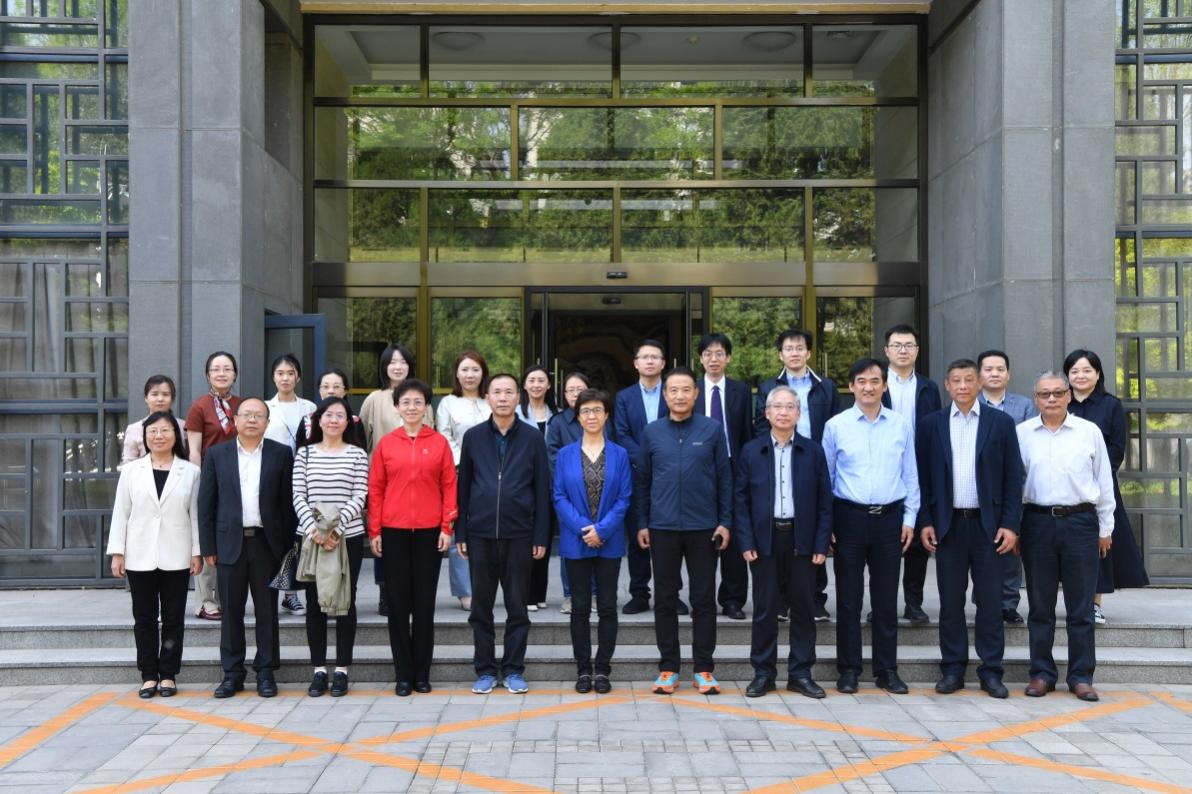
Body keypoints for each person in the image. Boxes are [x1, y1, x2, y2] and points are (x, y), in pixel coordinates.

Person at [917, 359, 1023, 700]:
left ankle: (991, 671)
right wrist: (926, 521)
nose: (962, 386)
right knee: (950, 603)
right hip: (948, 527)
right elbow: (921, 479)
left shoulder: (1001, 423)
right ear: (947, 385)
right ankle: (953, 669)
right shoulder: (930, 425)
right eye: (956, 381)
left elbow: (1013, 478)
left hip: (988, 527)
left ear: (979, 384)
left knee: (990, 603)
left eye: (968, 380)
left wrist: (1010, 524)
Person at [1017, 371, 1116, 702]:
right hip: (1037, 523)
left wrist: (1105, 528)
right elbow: (1014, 484)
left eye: (1058, 393)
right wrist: (1015, 528)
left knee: (1081, 608)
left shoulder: (1089, 432)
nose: (1051, 399)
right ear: (1036, 398)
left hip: (1081, 523)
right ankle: (1041, 673)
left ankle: (1081, 676)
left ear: (1068, 396)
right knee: (1040, 606)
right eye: (1044, 394)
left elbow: (1104, 481)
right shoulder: (1022, 434)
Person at [824, 358, 920, 695]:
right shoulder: (835, 426)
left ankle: (886, 670)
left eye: (875, 381)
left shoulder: (900, 425)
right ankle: (849, 669)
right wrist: (828, 523)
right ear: (851, 386)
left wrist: (909, 518)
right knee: (848, 600)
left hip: (889, 520)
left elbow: (910, 474)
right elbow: (827, 478)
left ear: (885, 385)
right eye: (861, 381)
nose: (868, 387)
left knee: (885, 599)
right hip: (848, 518)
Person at [636, 367, 732, 695]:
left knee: (703, 599)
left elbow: (725, 478)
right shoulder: (652, 432)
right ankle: (668, 668)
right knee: (665, 598)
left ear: (696, 394)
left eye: (686, 390)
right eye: (673, 390)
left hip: (703, 527)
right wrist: (642, 522)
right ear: (665, 395)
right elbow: (643, 481)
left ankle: (704, 668)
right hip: (662, 527)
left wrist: (725, 521)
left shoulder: (712, 429)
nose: (679, 396)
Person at [734, 386, 832, 699]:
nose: (783, 412)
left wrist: (821, 544)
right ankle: (763, 673)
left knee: (803, 608)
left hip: (802, 539)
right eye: (777, 406)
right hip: (765, 540)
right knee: (765, 609)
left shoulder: (812, 451)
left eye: (790, 407)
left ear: (799, 413)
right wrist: (746, 540)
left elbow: (825, 502)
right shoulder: (751, 451)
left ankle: (800, 673)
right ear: (767, 413)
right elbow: (741, 501)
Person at [455, 374, 550, 695]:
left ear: (518, 397)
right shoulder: (474, 437)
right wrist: (461, 530)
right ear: (488, 397)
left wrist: (541, 535)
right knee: (480, 608)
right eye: (497, 392)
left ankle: (512, 669)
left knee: (517, 608)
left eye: (509, 392)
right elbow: (463, 487)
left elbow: (542, 489)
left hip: (520, 534)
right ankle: (484, 670)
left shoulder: (533, 438)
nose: (503, 397)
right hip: (480, 534)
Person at [197, 398, 297, 699]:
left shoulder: (281, 454)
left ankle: (266, 672)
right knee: (231, 612)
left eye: (259, 415)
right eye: (247, 415)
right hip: (229, 544)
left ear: (267, 422)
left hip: (267, 544)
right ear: (235, 420)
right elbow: (206, 504)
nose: (252, 420)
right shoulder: (217, 454)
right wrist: (207, 546)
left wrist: (287, 546)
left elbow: (288, 504)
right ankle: (232, 674)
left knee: (267, 612)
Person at [369, 379, 458, 696]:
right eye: (405, 402)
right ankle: (403, 675)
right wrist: (375, 530)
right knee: (397, 605)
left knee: (423, 604)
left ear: (426, 407)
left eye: (418, 402)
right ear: (397, 406)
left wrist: (447, 527)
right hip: (393, 531)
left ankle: (422, 673)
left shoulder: (439, 443)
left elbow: (449, 486)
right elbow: (376, 489)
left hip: (429, 533)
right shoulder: (386, 444)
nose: (411, 407)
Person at [107, 411, 203, 698]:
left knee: (174, 618)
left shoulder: (190, 472)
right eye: (153, 432)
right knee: (144, 618)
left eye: (165, 431)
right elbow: (121, 513)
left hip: (177, 553)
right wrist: (117, 552)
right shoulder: (131, 471)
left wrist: (197, 552)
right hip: (139, 554)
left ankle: (169, 674)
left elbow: (195, 516)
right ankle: (148, 675)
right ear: (145, 437)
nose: (159, 436)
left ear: (176, 435)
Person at [754, 328, 841, 623]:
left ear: (809, 353)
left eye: (800, 348)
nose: (794, 353)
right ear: (781, 354)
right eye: (789, 348)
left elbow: (834, 428)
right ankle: (780, 600)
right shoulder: (768, 387)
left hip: (813, 463)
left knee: (813, 530)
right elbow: (760, 426)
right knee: (780, 535)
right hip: (778, 458)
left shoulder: (826, 387)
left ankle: (815, 599)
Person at [553, 388, 631, 694]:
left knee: (608, 606)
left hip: (609, 542)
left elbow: (624, 497)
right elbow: (559, 496)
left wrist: (603, 530)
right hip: (577, 541)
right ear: (578, 416)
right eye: (586, 411)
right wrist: (585, 528)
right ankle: (583, 669)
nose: (592, 416)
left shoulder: (620, 454)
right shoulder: (565, 454)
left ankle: (603, 670)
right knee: (580, 607)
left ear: (607, 415)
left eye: (598, 410)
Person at [1064, 349, 1150, 625]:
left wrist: (1093, 474)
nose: (1080, 375)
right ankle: (1072, 601)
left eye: (1087, 370)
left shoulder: (1110, 405)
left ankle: (1095, 604)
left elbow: (1116, 448)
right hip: (1065, 486)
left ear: (1098, 374)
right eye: (1074, 371)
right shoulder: (1060, 402)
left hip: (1100, 486)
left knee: (1099, 543)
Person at [292, 396, 369, 698]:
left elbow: (360, 495)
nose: (334, 420)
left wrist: (333, 529)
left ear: (348, 422)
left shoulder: (358, 455)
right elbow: (298, 495)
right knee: (315, 604)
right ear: (318, 420)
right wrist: (317, 531)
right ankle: (319, 670)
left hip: (347, 537)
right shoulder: (304, 453)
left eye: (340, 415)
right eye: (328, 415)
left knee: (345, 602)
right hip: (311, 537)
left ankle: (342, 670)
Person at [359, 344, 432, 616]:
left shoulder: (421, 398)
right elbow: (362, 439)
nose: (398, 367)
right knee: (383, 537)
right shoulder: (374, 399)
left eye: (403, 362)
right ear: (384, 367)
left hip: (418, 481)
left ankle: (411, 592)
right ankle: (385, 592)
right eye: (392, 362)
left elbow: (431, 435)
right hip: (385, 479)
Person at [880, 324, 941, 625]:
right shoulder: (877, 383)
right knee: (885, 542)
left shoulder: (929, 387)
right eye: (897, 345)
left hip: (920, 467)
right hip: (885, 469)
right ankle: (882, 603)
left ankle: (913, 603)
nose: (903, 350)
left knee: (917, 538)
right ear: (886, 350)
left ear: (917, 350)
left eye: (909, 345)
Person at [613, 340, 679, 616]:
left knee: (671, 537)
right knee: (637, 532)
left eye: (655, 357)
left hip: (671, 474)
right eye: (645, 357)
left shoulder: (674, 393)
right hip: (636, 474)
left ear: (663, 363)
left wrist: (662, 457)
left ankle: (671, 594)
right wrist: (645, 458)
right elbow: (621, 433)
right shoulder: (624, 397)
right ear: (636, 363)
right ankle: (639, 593)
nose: (650, 361)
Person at [976, 349, 1038, 625]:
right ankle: (983, 601)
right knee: (981, 549)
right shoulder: (970, 403)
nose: (994, 374)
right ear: (979, 375)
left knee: (1011, 548)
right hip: (979, 488)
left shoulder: (1024, 406)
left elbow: (1028, 446)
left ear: (1008, 375)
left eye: (1000, 369)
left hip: (1014, 485)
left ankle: (1009, 603)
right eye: (988, 369)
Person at [694, 332, 753, 621]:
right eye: (708, 354)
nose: (713, 359)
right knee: (701, 534)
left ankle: (732, 599)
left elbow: (746, 433)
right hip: (698, 466)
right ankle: (701, 597)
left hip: (733, 465)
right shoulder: (691, 389)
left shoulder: (741, 390)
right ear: (701, 359)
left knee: (734, 531)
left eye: (719, 353)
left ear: (728, 358)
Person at [185, 351, 242, 622]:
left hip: (238, 480)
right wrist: (198, 482)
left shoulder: (242, 405)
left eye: (227, 369)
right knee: (207, 538)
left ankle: (227, 598)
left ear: (235, 374)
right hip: (210, 479)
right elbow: (194, 450)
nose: (221, 373)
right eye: (216, 369)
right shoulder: (199, 407)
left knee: (231, 539)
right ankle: (206, 601)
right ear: (207, 374)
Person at [437, 349, 492, 611]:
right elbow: (443, 436)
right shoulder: (448, 403)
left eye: (475, 369)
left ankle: (486, 585)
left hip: (494, 472)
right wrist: (465, 461)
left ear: (483, 373)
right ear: (457, 374)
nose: (470, 375)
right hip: (459, 470)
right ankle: (465, 590)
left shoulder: (492, 400)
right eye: (465, 370)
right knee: (461, 527)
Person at [265, 353, 317, 618]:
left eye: (290, 373)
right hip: (275, 477)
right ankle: (277, 592)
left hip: (305, 475)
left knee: (299, 534)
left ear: (298, 377)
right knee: (279, 533)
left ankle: (291, 594)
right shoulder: (265, 407)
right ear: (273, 377)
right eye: (280, 373)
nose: (285, 378)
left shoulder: (309, 407)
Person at [546, 371, 600, 614]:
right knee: (571, 544)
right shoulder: (557, 423)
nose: (575, 394)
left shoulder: (600, 418)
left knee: (597, 539)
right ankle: (570, 595)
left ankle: (595, 593)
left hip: (599, 491)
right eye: (570, 390)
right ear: (564, 394)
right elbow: (553, 456)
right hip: (569, 495)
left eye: (580, 389)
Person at [515, 365, 558, 612]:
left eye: (541, 380)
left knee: (545, 538)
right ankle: (528, 594)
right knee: (526, 540)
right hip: (524, 485)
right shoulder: (516, 414)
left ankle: (540, 592)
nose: (536, 385)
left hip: (551, 484)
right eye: (531, 380)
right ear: (524, 385)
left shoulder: (557, 414)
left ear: (549, 385)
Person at [294, 368, 367, 450]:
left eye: (336, 387)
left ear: (345, 391)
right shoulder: (307, 420)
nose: (331, 391)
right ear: (319, 390)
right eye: (326, 386)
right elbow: (300, 452)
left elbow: (361, 452)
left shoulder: (355, 422)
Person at [122, 375, 187, 465]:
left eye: (165, 394)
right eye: (154, 394)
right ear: (146, 397)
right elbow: (128, 464)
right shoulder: (134, 429)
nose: (160, 399)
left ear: (172, 398)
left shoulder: (183, 426)